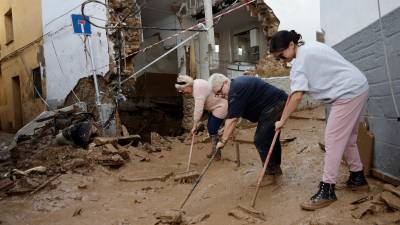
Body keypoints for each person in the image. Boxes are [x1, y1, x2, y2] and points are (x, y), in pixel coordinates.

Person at [269, 30, 370, 210]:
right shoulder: (311, 47)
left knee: (332, 140)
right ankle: (358, 178)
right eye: (278, 58)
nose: (282, 60)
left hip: (347, 93)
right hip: (358, 86)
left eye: (281, 55)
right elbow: (296, 92)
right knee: (348, 139)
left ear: (291, 45)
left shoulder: (300, 62)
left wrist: (282, 120)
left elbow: (297, 96)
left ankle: (327, 190)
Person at [209, 73, 288, 185]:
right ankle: (275, 169)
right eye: (218, 94)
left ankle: (270, 174)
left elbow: (233, 119)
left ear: (226, 83)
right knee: (269, 138)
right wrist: (225, 129)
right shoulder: (236, 87)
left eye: (220, 91)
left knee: (260, 139)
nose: (221, 95)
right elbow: (232, 114)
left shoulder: (236, 89)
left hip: (275, 105)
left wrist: (223, 141)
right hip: (276, 103)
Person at [175, 75, 228, 160]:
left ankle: (217, 152)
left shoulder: (198, 89)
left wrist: (195, 125)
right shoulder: (195, 84)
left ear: (188, 85)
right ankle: (215, 151)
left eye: (182, 89)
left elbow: (198, 109)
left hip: (220, 107)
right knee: (211, 128)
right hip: (214, 107)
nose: (182, 92)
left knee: (212, 129)